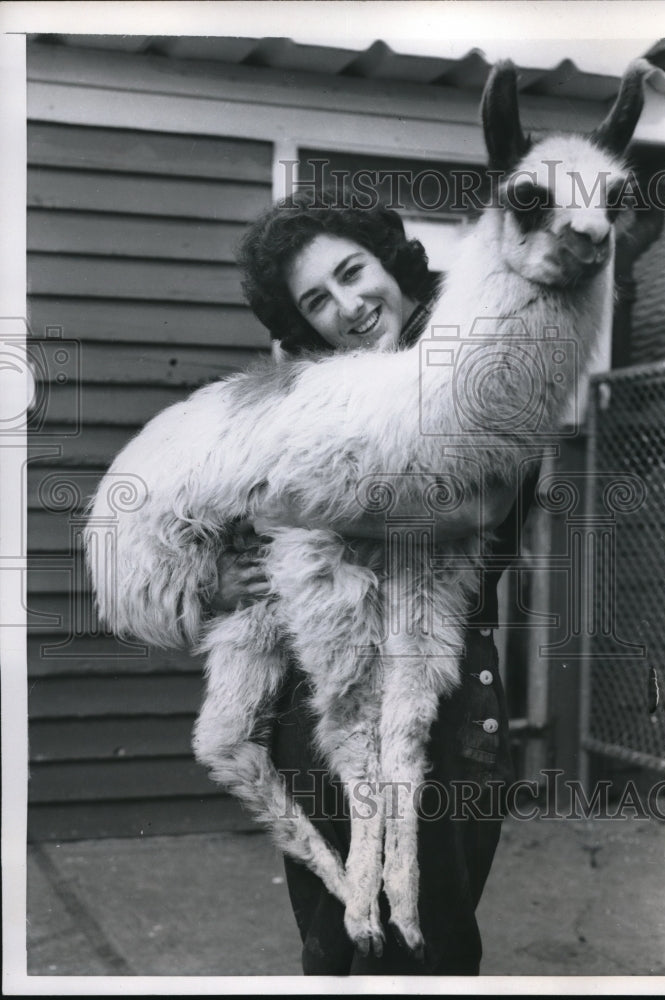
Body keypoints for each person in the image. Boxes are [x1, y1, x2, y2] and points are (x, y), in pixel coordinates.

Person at [209, 187, 535, 975]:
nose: (348, 306)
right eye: (317, 300)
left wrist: (298, 501)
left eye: (353, 273)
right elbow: (240, 509)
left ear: (390, 261)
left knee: (420, 942)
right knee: (330, 940)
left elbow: (470, 502)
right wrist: (241, 566)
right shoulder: (321, 389)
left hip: (437, 691)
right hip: (314, 693)